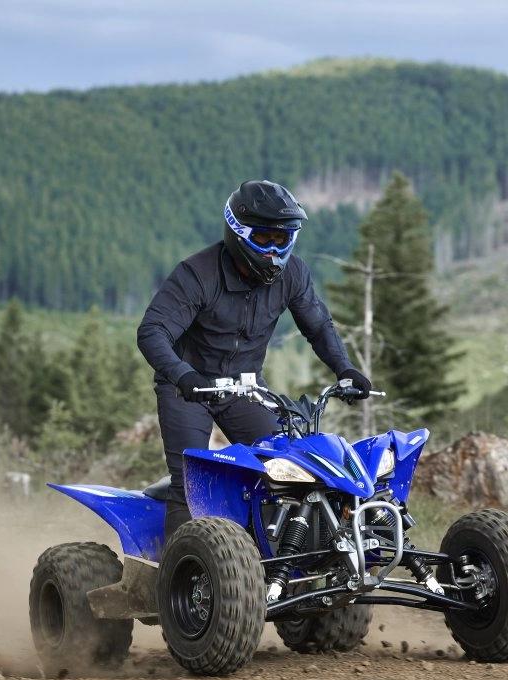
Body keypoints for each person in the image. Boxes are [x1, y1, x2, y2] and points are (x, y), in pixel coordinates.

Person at [137, 179, 372, 539]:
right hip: (189, 388)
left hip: (245, 388)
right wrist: (181, 374)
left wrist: (345, 368)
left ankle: (273, 560)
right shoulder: (197, 274)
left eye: (283, 238)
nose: (274, 248)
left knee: (287, 468)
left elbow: (318, 326)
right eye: (264, 238)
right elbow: (152, 331)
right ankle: (178, 569)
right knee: (192, 481)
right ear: (238, 233)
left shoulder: (293, 274)